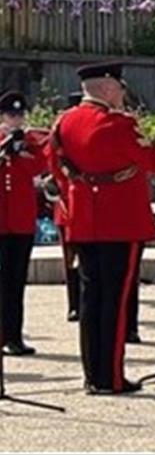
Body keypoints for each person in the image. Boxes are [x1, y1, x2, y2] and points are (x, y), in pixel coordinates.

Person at [49, 62, 155, 395]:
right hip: (120, 219)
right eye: (120, 87)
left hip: (83, 218)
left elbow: (56, 169)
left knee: (90, 298)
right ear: (108, 87)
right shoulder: (118, 123)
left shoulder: (63, 122)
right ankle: (111, 378)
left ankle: (93, 375)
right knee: (115, 299)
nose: (123, 93)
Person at [0, 91, 48, 356]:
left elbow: (38, 166)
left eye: (19, 115)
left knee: (16, 282)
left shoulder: (30, 141)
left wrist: (20, 153)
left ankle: (13, 336)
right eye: (11, 115)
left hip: (20, 222)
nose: (16, 120)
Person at [44, 92, 83, 322]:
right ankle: (74, 304)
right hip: (68, 205)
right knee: (70, 260)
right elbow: (52, 163)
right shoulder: (59, 134)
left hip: (88, 206)